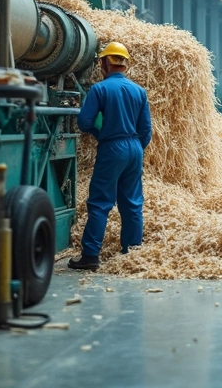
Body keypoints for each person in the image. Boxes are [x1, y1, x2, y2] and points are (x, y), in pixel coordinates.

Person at [70, 42, 153, 271]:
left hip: (112, 146)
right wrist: (135, 147)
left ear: (105, 63)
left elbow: (84, 121)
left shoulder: (100, 89)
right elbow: (146, 130)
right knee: (133, 203)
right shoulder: (139, 91)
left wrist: (102, 134)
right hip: (135, 147)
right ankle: (132, 253)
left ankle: (90, 256)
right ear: (125, 64)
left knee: (100, 202)